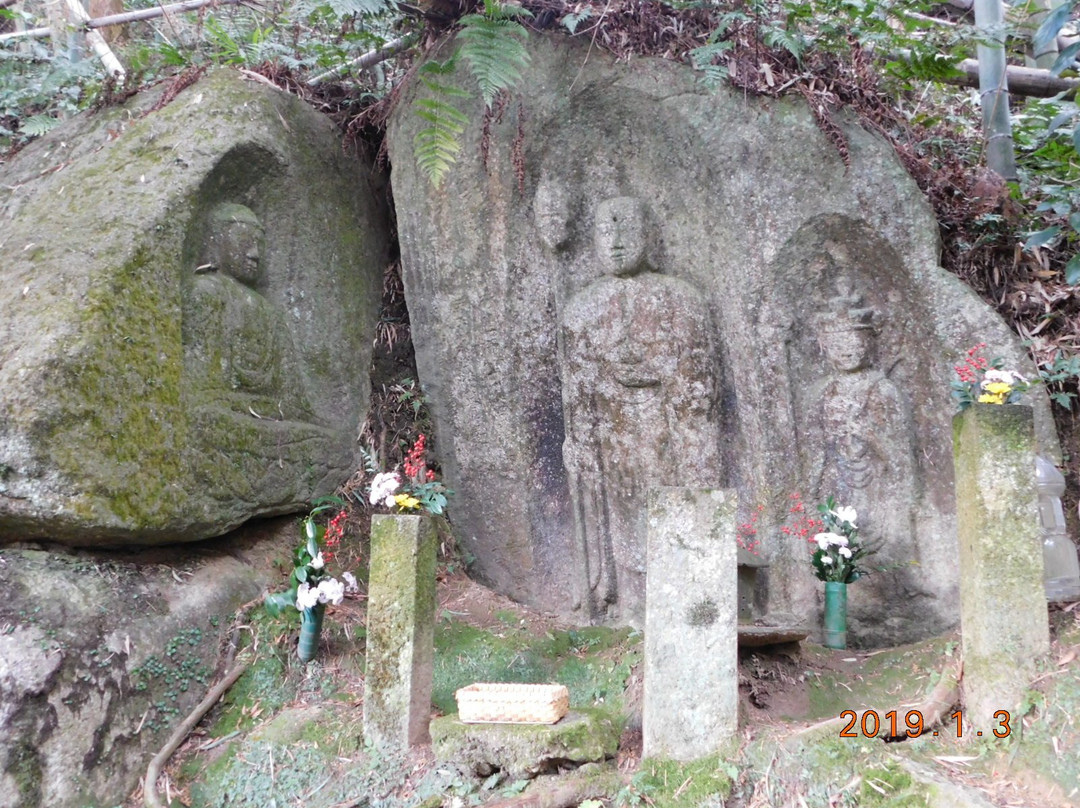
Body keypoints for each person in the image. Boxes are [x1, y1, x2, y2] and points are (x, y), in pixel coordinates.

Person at [561, 197, 721, 623]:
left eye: (626, 231)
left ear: (649, 237)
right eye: (605, 232)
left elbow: (701, 384)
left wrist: (659, 372)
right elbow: (576, 389)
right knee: (624, 518)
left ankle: (685, 600)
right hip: (614, 437)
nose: (614, 242)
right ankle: (629, 605)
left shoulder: (681, 300)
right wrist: (577, 438)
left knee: (673, 508)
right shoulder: (581, 309)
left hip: (668, 431)